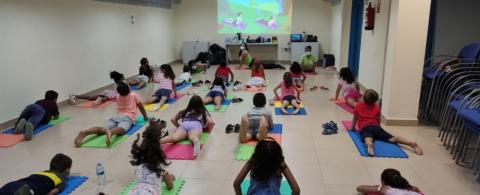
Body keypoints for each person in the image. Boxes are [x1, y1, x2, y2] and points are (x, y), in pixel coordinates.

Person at [74, 82, 149, 147]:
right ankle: (111, 132)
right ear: (129, 88)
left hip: (116, 116)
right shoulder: (134, 95)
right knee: (122, 129)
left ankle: (85, 132)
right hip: (128, 117)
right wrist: (146, 118)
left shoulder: (118, 96)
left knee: (103, 129)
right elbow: (141, 107)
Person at [351, 89, 423, 156]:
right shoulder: (376, 108)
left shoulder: (358, 106)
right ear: (375, 100)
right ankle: (411, 143)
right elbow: (378, 119)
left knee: (367, 137)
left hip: (365, 127)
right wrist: (379, 127)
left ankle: (369, 144)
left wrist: (352, 128)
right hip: (377, 128)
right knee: (392, 138)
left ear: (363, 98)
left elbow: (355, 118)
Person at [233, 138, 300, 195]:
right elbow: (296, 190)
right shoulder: (280, 163)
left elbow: (236, 184)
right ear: (278, 156)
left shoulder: (254, 161)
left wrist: (252, 159)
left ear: (257, 155)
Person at [129, 120, 175, 195]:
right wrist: (171, 178)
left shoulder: (139, 165)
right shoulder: (160, 165)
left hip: (134, 192)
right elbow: (170, 186)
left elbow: (148, 178)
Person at [0, 153, 72, 195]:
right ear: (67, 170)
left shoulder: (43, 172)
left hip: (14, 183)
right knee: (27, 191)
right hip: (28, 188)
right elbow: (54, 191)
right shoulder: (61, 178)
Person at [356, 169, 422, 195]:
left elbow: (359, 188)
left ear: (383, 181)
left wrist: (378, 187)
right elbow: (417, 190)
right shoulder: (411, 187)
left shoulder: (384, 189)